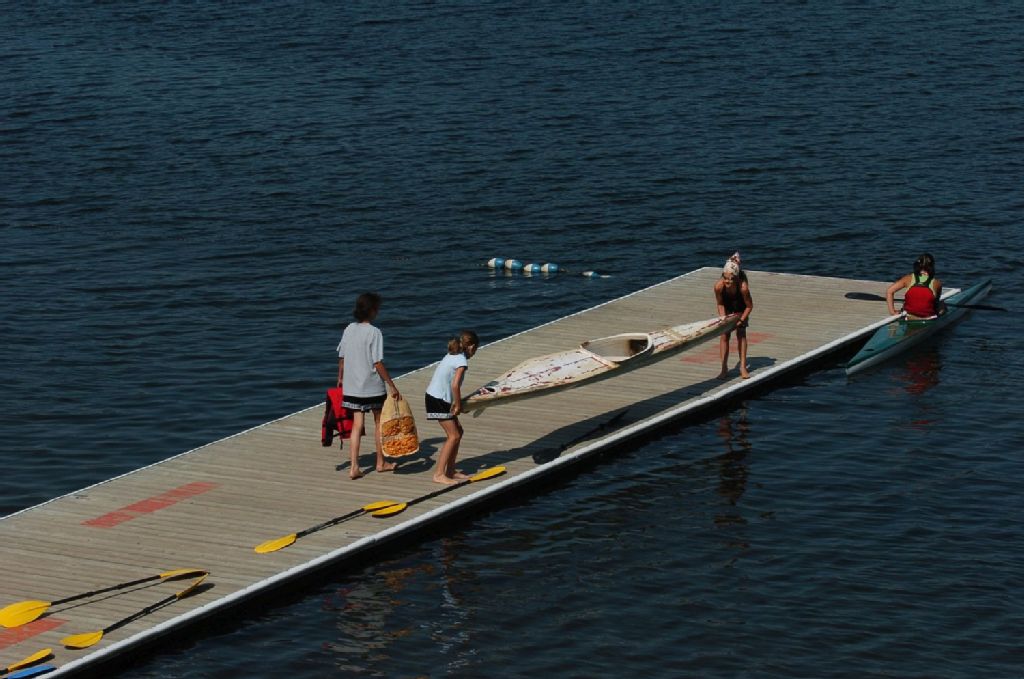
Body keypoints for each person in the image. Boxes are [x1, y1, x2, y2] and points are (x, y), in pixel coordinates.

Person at [336, 292, 401, 480]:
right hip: (372, 387)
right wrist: (391, 385)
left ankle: (354, 467)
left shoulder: (349, 329)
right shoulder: (374, 332)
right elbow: (377, 363)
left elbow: (342, 357)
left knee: (357, 425)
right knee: (379, 422)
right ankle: (381, 462)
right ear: (372, 310)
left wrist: (340, 379)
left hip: (352, 387)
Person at [425, 330, 479, 485]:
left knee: (458, 432)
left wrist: (455, 403)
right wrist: (459, 405)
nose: (474, 353)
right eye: (475, 349)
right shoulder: (461, 361)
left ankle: (450, 470)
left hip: (440, 398)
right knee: (453, 435)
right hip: (437, 399)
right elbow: (455, 385)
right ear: (471, 347)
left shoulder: (452, 355)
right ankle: (439, 474)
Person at [713, 252, 753, 379]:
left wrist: (741, 320)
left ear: (736, 278)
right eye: (725, 278)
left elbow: (749, 306)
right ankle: (724, 368)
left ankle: (743, 367)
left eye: (730, 279)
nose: (727, 281)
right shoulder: (719, 287)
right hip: (727, 305)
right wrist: (723, 319)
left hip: (741, 306)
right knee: (724, 335)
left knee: (741, 334)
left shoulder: (743, 288)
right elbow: (720, 304)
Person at [886, 253, 943, 319]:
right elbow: (936, 303)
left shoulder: (908, 278)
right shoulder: (937, 283)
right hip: (928, 317)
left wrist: (892, 312)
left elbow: (889, 291)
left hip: (909, 316)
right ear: (932, 266)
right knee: (942, 304)